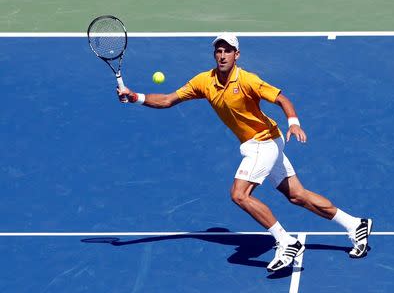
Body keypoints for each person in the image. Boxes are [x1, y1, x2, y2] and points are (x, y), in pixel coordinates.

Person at [117, 33, 373, 272]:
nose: (222, 55)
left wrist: (293, 122)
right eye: (218, 50)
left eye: (227, 51)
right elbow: (167, 100)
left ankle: (286, 242)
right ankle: (355, 224)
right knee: (297, 195)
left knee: (239, 195)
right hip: (261, 144)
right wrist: (136, 97)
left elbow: (282, 99)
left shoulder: (248, 80)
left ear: (237, 54)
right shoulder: (203, 82)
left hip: (264, 142)